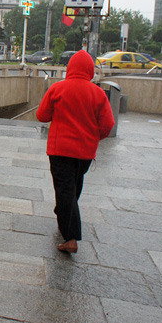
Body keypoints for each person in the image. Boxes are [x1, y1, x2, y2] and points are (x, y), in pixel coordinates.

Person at [36, 50, 115, 254]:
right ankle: (63, 212)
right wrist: (94, 138)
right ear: (90, 70)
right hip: (85, 153)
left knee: (65, 190)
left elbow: (42, 116)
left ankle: (71, 237)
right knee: (74, 186)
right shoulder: (98, 93)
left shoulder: (57, 88)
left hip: (60, 150)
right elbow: (108, 125)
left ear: (70, 68)